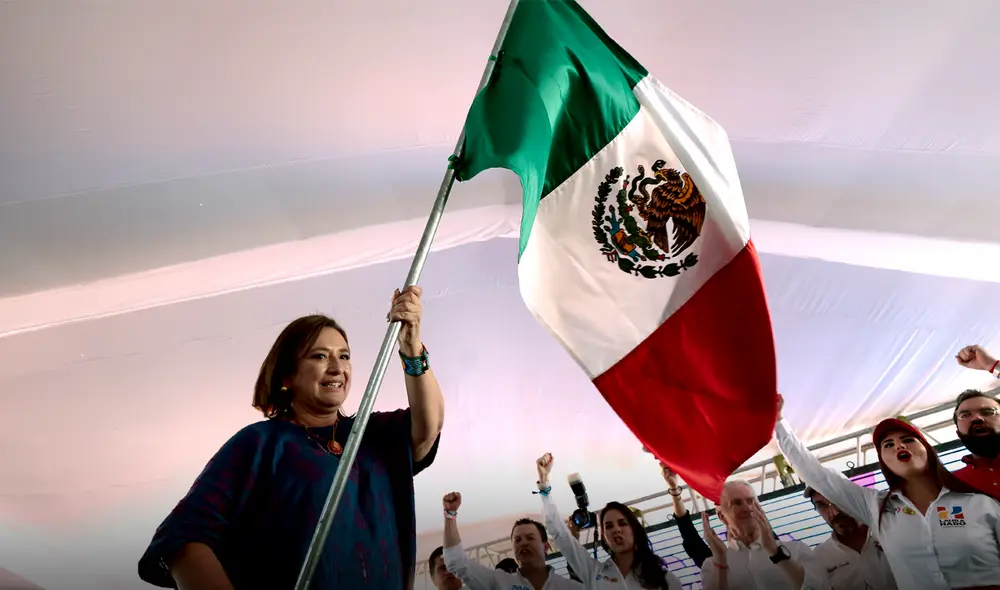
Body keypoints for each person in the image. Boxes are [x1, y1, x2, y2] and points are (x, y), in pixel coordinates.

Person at [137, 286, 444, 590]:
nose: (337, 367)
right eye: (320, 356)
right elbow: (182, 541)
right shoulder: (260, 444)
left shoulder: (372, 434)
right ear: (287, 376)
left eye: (344, 356)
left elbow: (429, 427)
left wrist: (411, 346)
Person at [775, 394, 1000, 589]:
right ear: (884, 461)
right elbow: (815, 473)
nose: (899, 446)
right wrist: (778, 421)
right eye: (888, 445)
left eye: (907, 440)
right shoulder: (876, 506)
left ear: (927, 450)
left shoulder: (980, 504)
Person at [535, 453, 682, 590]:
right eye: (609, 526)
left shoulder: (665, 579)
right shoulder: (594, 573)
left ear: (634, 530)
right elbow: (561, 536)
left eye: (622, 523)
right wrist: (544, 485)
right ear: (604, 536)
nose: (616, 529)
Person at [699, 480, 828, 590]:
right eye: (737, 503)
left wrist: (776, 553)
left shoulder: (797, 549)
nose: (747, 508)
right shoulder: (712, 566)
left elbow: (819, 587)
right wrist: (721, 560)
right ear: (722, 516)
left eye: (751, 502)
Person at [441, 491, 580, 590]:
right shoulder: (499, 582)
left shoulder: (570, 587)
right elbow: (457, 562)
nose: (523, 542)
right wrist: (450, 514)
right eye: (517, 540)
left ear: (545, 546)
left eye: (530, 538)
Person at [803, 486, 897, 590]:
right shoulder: (820, 558)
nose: (834, 512)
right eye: (821, 505)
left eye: (837, 500)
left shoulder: (891, 534)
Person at [954, 344, 1000, 497]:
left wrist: (991, 365)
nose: (977, 418)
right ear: (958, 433)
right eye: (965, 415)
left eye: (988, 412)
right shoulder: (950, 485)